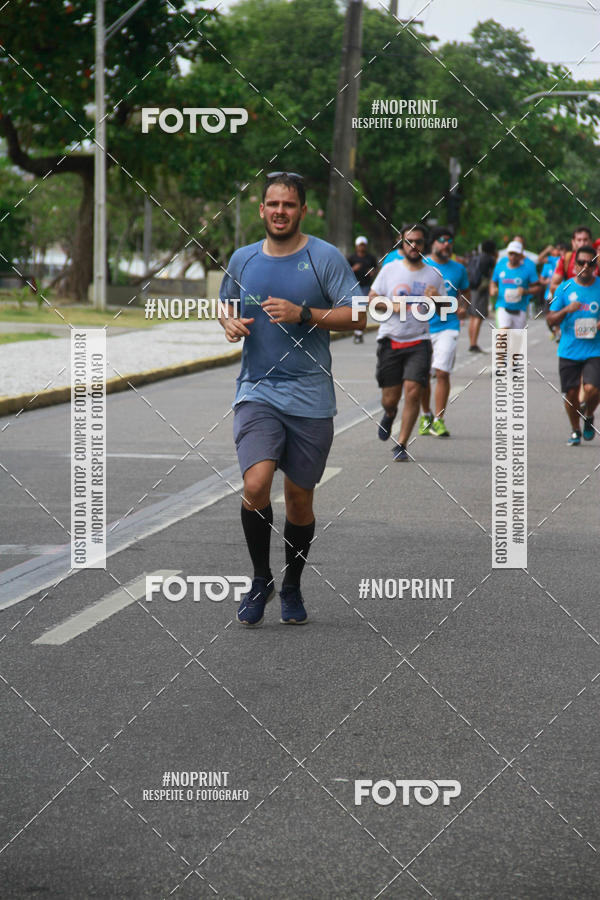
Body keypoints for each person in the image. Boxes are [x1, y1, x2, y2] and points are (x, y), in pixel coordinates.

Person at [218, 172, 365, 626]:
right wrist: (227, 322)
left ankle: (292, 584)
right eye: (273, 204)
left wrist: (304, 313)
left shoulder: (324, 257)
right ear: (261, 209)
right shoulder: (242, 259)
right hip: (257, 390)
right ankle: (261, 578)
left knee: (299, 500)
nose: (280, 211)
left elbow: (359, 315)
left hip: (310, 397)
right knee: (255, 484)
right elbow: (225, 303)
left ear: (302, 210)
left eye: (288, 204)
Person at [369, 223, 445, 461]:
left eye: (418, 242)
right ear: (401, 243)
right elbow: (372, 298)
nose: (414, 246)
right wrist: (390, 305)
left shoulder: (434, 274)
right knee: (389, 398)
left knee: (413, 392)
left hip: (419, 340)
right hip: (390, 339)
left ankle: (401, 444)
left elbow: (445, 310)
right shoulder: (390, 269)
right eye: (409, 241)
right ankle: (390, 413)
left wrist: (437, 299)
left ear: (425, 244)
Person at [419, 226, 470, 437]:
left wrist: (463, 307)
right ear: (432, 243)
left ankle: (439, 420)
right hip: (422, 327)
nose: (446, 244)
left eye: (449, 241)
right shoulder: (421, 265)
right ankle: (426, 415)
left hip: (448, 325)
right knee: (422, 375)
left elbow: (464, 292)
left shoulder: (459, 269)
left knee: (442, 372)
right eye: (441, 240)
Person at [547, 245, 600, 445]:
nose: (586, 266)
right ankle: (575, 430)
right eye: (581, 262)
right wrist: (566, 310)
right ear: (575, 265)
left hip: (595, 349)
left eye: (590, 263)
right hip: (569, 349)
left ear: (595, 265)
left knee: (593, 388)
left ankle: (588, 414)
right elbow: (551, 319)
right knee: (571, 394)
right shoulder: (564, 288)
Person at [490, 240, 540, 329]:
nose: (513, 257)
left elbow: (538, 287)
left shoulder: (528, 268)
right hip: (502, 307)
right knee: (503, 334)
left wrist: (525, 291)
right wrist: (492, 289)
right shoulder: (501, 264)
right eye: (511, 254)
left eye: (516, 254)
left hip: (520, 309)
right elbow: (493, 281)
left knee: (516, 338)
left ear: (521, 255)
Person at [466, 240, 496, 352]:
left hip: (471, 288)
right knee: (478, 316)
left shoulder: (474, 257)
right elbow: (493, 273)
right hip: (481, 289)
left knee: (472, 316)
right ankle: (474, 344)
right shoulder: (490, 259)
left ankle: (471, 342)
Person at [347, 236, 378, 343]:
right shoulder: (352, 258)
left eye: (363, 245)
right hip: (354, 285)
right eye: (360, 245)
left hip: (366, 285)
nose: (362, 247)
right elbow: (345, 271)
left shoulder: (370, 258)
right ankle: (357, 331)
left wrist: (372, 272)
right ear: (356, 246)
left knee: (362, 308)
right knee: (356, 308)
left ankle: (358, 332)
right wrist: (353, 269)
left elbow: (375, 269)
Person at [549, 226, 595, 296]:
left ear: (591, 241)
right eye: (579, 240)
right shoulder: (566, 259)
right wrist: (574, 292)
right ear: (573, 242)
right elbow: (553, 287)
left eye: (585, 240)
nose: (582, 243)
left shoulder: (597, 259)